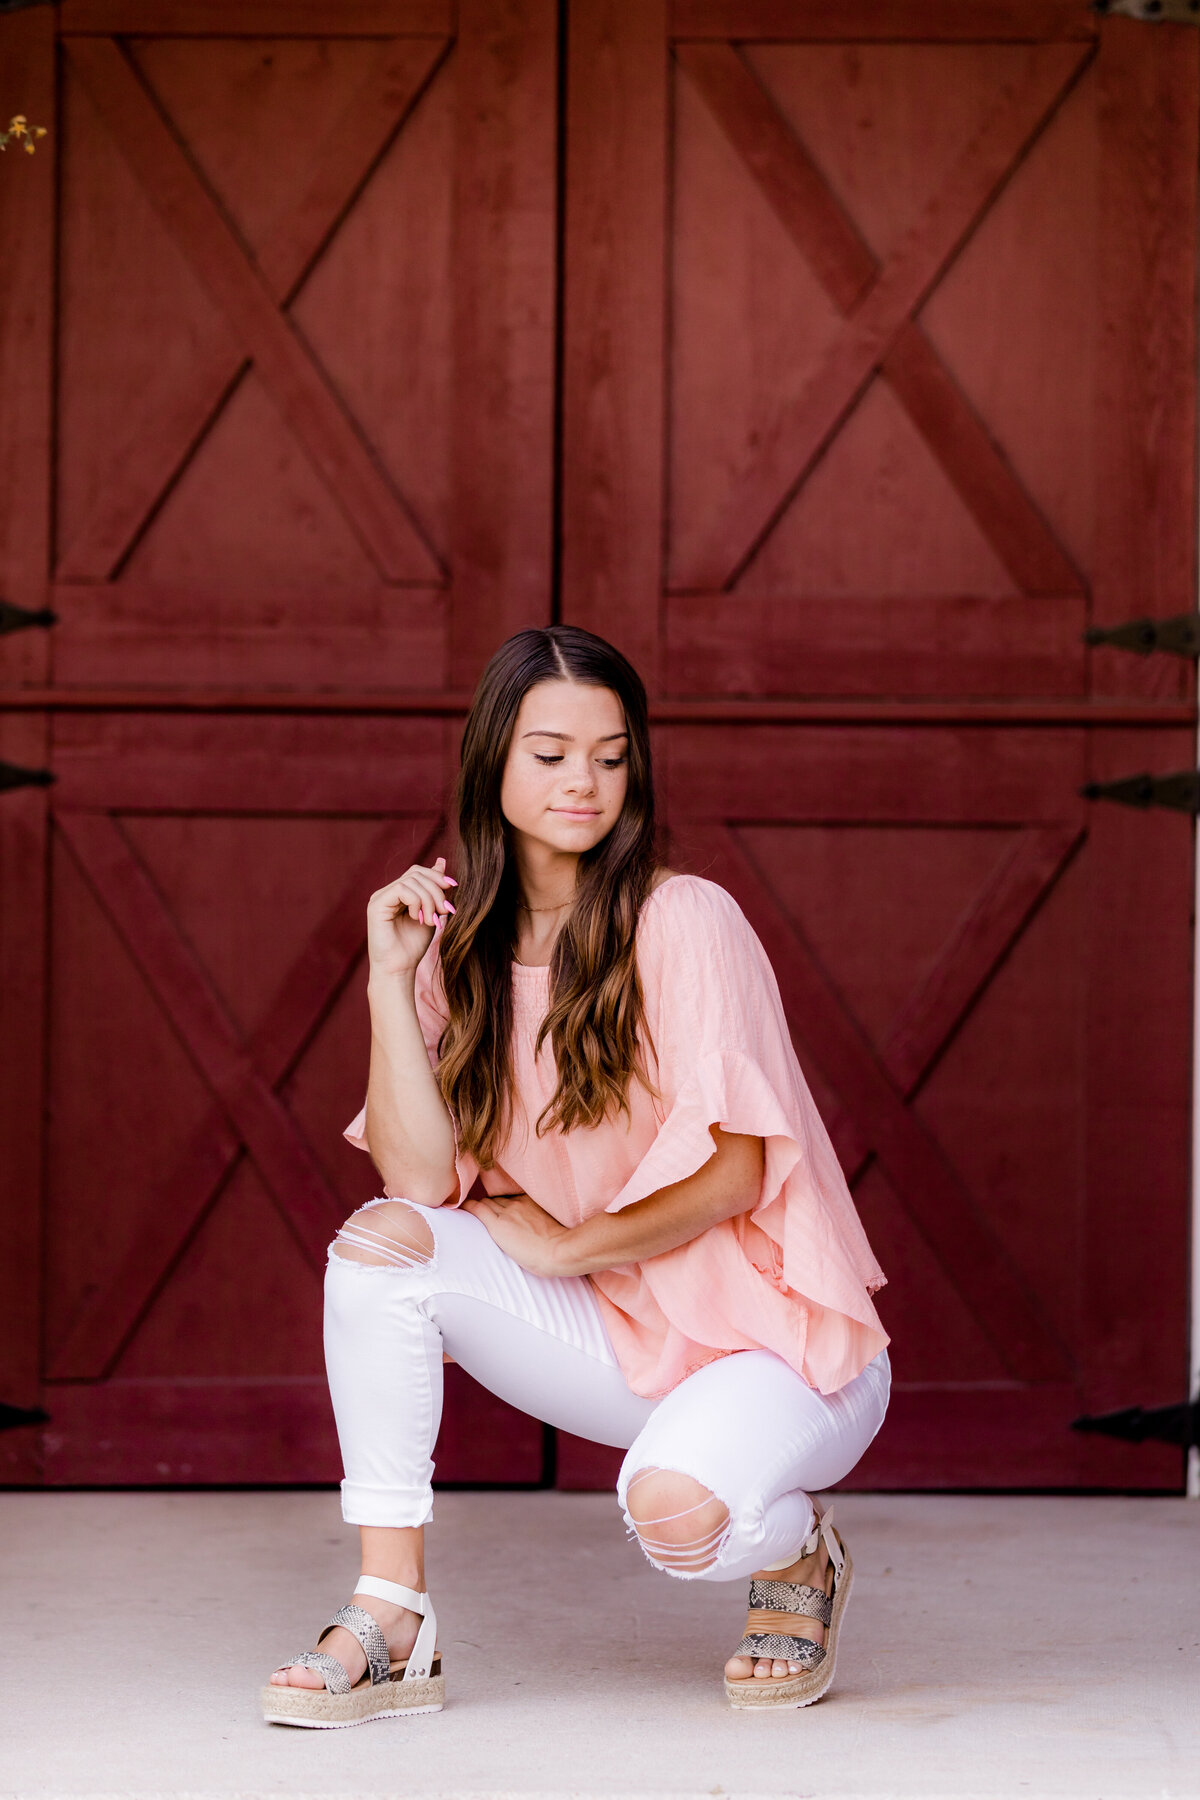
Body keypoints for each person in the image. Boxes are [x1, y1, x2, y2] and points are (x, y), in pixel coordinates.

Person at [261, 626, 890, 1728]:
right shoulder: (460, 953)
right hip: (619, 1338)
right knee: (378, 1248)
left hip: (778, 1346)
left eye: (610, 754)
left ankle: (800, 1555)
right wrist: (386, 981)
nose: (584, 783)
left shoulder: (684, 918)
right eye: (550, 754)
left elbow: (737, 1174)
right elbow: (416, 1177)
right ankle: (393, 1612)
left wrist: (563, 1248)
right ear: (493, 763)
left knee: (677, 1524)